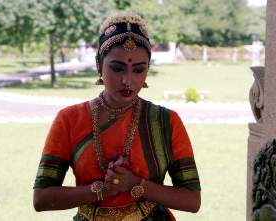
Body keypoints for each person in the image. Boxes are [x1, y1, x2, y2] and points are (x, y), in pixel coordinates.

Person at [33, 12, 201, 221]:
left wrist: (136, 185)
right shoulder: (69, 119)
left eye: (138, 70)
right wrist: (102, 190)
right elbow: (41, 198)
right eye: (117, 68)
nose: (127, 80)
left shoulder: (166, 121)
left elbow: (192, 200)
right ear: (99, 66)